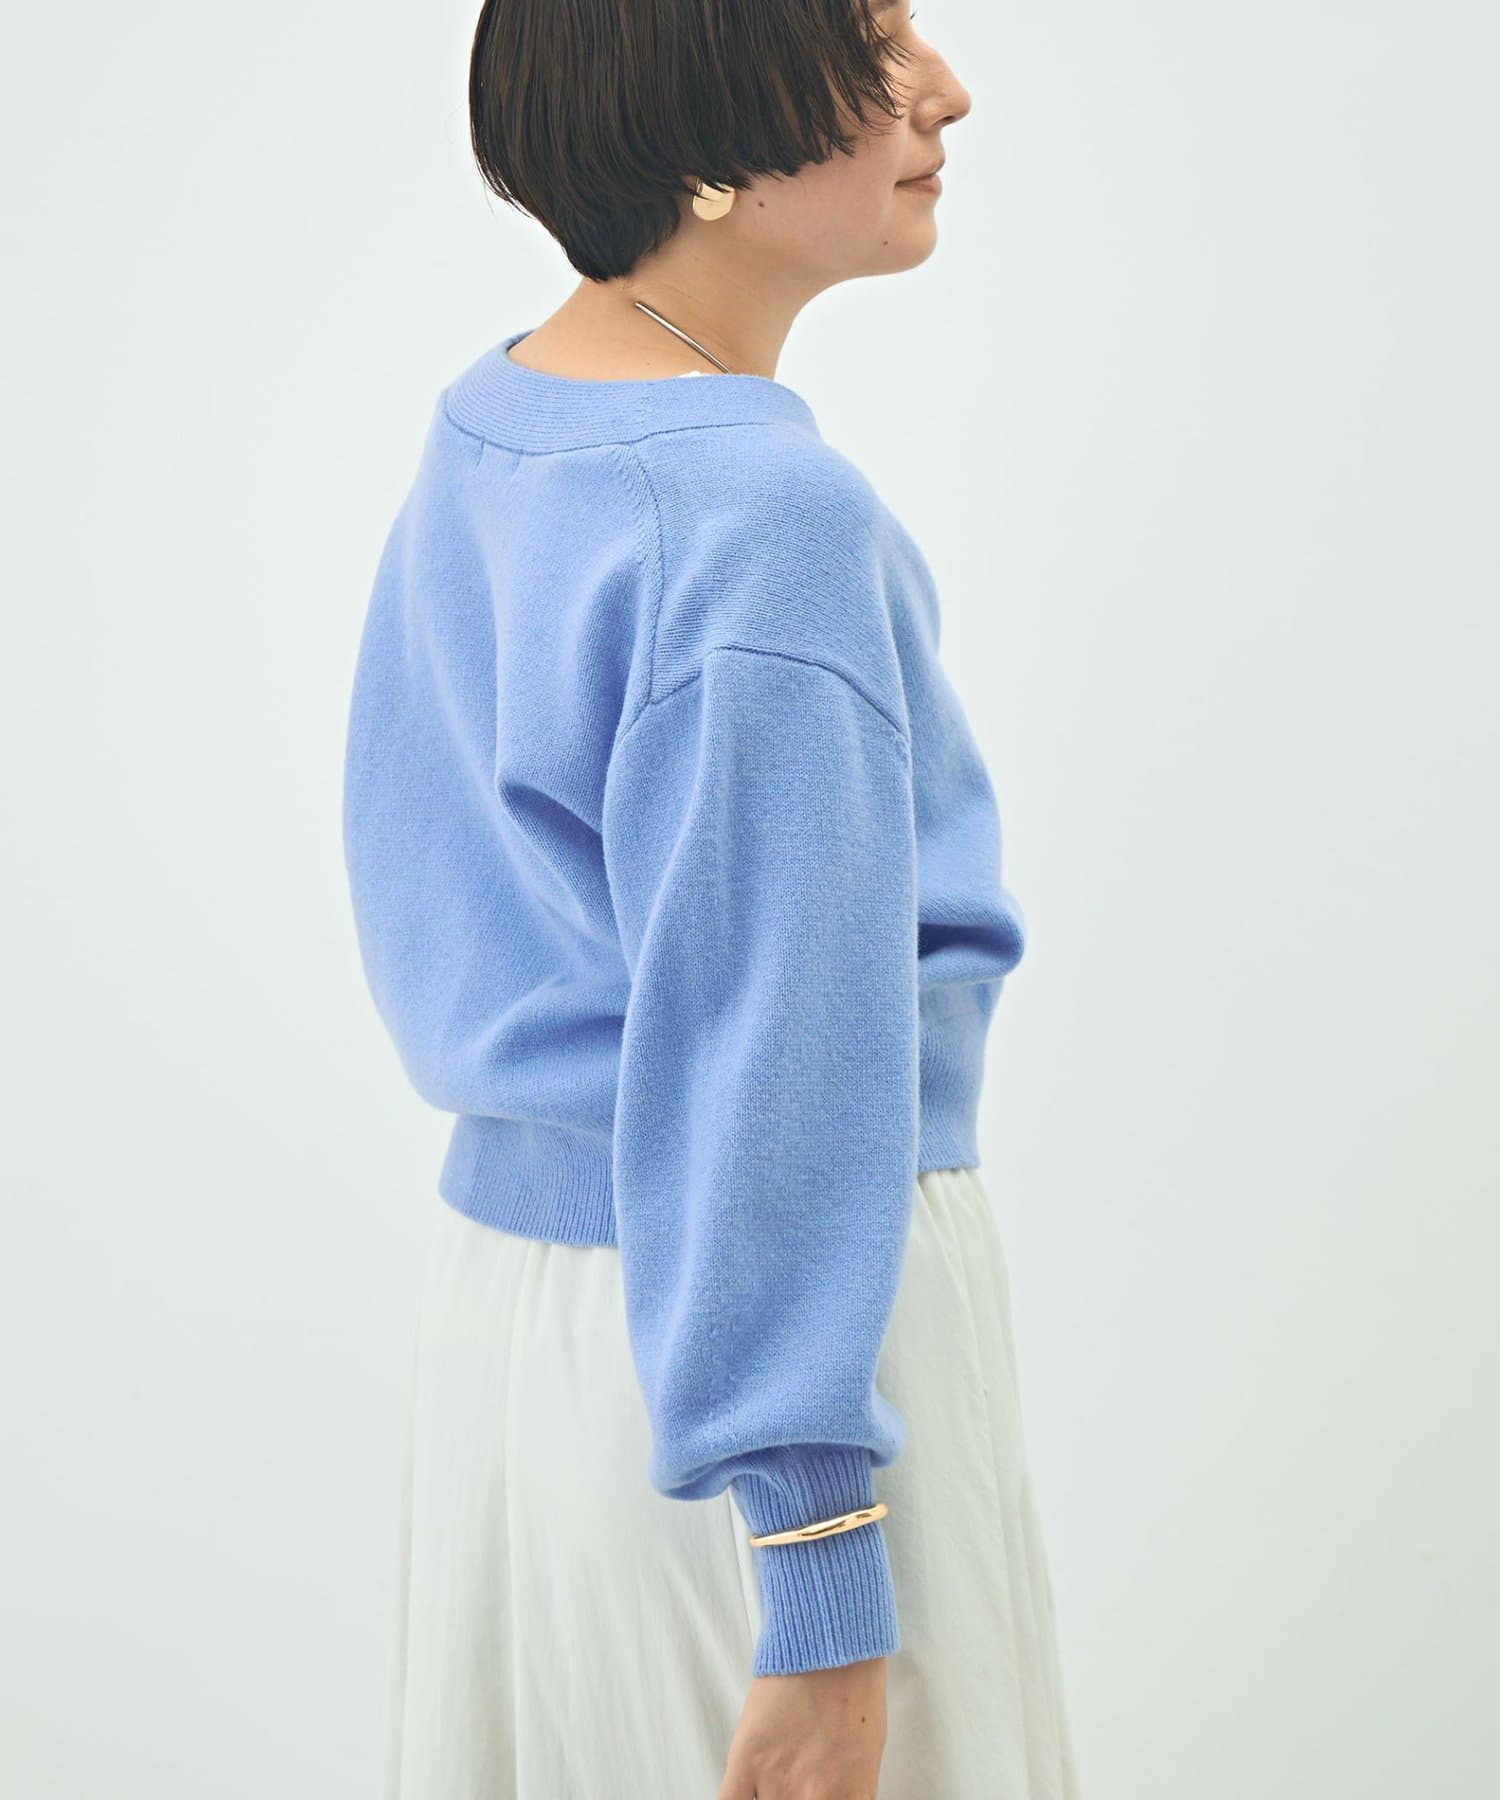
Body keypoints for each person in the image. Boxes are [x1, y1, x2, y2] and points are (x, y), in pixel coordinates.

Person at [342, 1, 1081, 1794]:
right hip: (772, 1358)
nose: (947, 89)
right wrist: (818, 1561)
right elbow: (776, 1057)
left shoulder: (506, 420)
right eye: (875, 41)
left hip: (529, 1331)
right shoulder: (759, 514)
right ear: (705, 137)